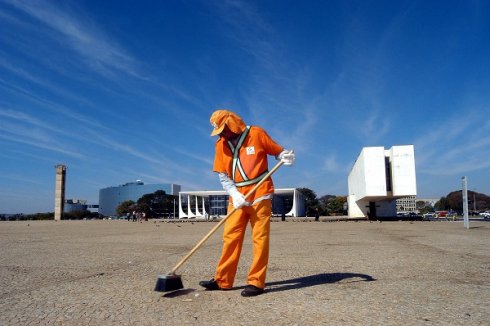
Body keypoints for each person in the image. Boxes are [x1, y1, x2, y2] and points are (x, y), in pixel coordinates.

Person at [199, 109, 295, 297]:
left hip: (260, 192)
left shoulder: (256, 134)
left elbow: (278, 152)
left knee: (259, 238)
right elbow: (223, 175)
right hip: (237, 196)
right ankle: (222, 280)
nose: (223, 135)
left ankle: (256, 282)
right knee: (230, 237)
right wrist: (234, 194)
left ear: (232, 123)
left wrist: (285, 156)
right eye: (219, 132)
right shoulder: (220, 145)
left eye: (224, 130)